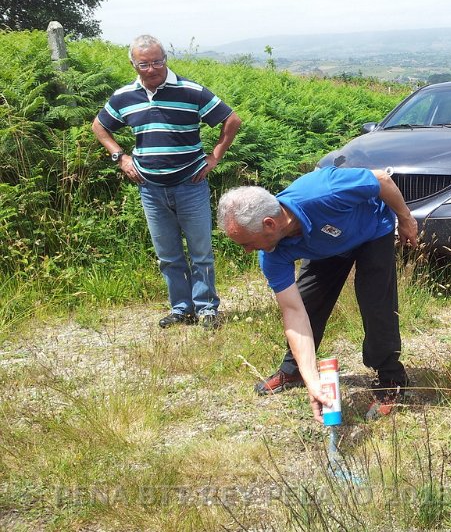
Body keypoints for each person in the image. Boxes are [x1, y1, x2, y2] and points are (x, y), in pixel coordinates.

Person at [216, 166, 418, 422]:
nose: (246, 251)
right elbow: (292, 310)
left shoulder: (324, 192)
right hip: (326, 247)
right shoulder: (271, 254)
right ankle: (296, 371)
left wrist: (406, 219)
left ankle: (391, 381)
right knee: (307, 302)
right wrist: (314, 381)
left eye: (246, 242)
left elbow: (381, 179)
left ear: (269, 224)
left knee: (376, 305)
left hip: (371, 230)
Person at [92, 34, 241, 330]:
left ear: (166, 59)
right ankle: (181, 309)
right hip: (150, 189)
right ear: (134, 64)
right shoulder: (124, 97)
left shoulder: (190, 90)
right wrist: (120, 158)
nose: (152, 68)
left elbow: (232, 120)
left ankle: (207, 308)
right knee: (168, 255)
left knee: (200, 252)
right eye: (144, 63)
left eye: (157, 61)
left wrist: (215, 157)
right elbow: (99, 126)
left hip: (191, 184)